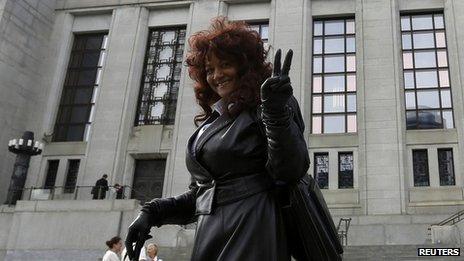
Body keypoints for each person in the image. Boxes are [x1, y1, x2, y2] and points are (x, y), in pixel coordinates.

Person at [125, 17, 309, 261]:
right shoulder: (215, 119)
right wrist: (152, 213)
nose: (216, 75)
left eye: (225, 64)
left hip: (252, 231)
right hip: (211, 236)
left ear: (245, 67)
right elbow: (201, 196)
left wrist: (276, 113)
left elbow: (291, 170)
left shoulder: (270, 104)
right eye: (209, 69)